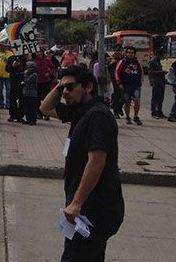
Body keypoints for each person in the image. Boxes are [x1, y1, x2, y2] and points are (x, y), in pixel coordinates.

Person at [40, 66, 124, 262]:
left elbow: (96, 162)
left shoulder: (98, 116)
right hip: (88, 208)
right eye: (63, 89)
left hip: (93, 210)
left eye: (71, 87)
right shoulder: (80, 111)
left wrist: (77, 203)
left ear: (88, 87)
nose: (65, 93)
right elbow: (45, 107)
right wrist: (60, 86)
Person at [115, 46, 144, 125]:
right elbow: (117, 72)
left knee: (137, 101)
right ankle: (128, 117)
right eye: (129, 53)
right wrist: (119, 83)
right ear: (126, 53)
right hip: (125, 86)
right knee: (127, 102)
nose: (130, 54)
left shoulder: (137, 63)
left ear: (134, 54)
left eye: (132, 53)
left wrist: (140, 82)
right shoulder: (122, 62)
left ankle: (136, 116)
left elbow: (141, 73)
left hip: (136, 85)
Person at [34, 51, 56, 120]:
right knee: (38, 98)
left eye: (40, 52)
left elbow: (53, 68)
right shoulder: (34, 60)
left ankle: (46, 114)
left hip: (46, 81)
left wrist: (49, 73)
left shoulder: (47, 60)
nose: (38, 53)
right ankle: (39, 113)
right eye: (37, 52)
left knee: (46, 98)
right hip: (37, 81)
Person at [0, 41, 14, 109]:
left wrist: (7, 61)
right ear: (0, 46)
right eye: (3, 46)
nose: (4, 47)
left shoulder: (10, 54)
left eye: (5, 46)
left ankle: (8, 104)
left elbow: (13, 63)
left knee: (8, 90)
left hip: (8, 75)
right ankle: (0, 103)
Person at [146, 49, 167, 119]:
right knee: (155, 97)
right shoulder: (152, 61)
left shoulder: (158, 61)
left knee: (161, 98)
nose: (163, 56)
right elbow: (150, 71)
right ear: (158, 55)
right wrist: (161, 72)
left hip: (161, 81)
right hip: (155, 81)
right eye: (162, 55)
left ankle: (159, 112)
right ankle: (153, 112)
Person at [6, 54, 26, 124]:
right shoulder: (11, 58)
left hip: (23, 81)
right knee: (12, 99)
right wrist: (13, 66)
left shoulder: (24, 58)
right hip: (14, 82)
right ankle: (12, 115)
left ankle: (20, 116)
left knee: (22, 100)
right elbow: (7, 69)